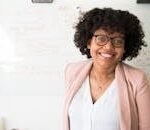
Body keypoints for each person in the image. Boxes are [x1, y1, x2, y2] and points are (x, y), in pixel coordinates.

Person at [63, 8, 150, 130]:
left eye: (118, 41)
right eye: (101, 38)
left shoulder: (137, 80)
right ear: (89, 42)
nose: (108, 47)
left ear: (125, 47)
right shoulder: (72, 71)